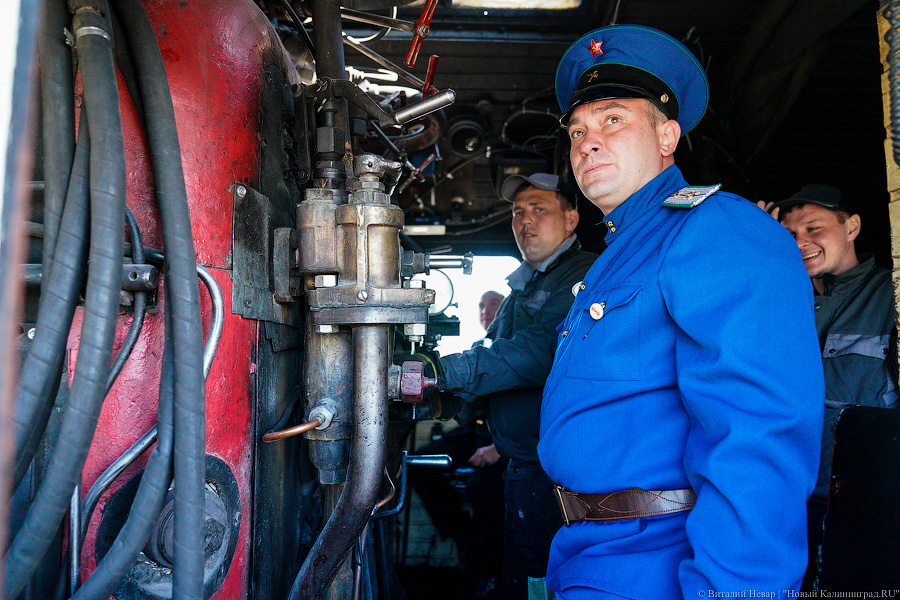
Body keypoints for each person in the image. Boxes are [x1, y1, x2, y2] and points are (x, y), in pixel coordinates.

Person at [536, 24, 824, 599]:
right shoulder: (620, 252)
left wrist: (736, 593)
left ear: (667, 135)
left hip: (657, 562)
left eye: (612, 120)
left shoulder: (716, 229)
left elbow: (757, 437)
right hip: (590, 554)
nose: (587, 143)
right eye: (578, 131)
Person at [438, 172, 597, 600]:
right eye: (518, 212)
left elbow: (539, 351)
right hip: (523, 464)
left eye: (538, 209)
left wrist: (445, 371)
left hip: (555, 471)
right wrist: (441, 398)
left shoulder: (582, 275)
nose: (525, 220)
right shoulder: (524, 286)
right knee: (522, 577)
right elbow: (493, 354)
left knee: (540, 580)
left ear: (571, 220)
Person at [770, 184, 899, 589]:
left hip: (866, 507)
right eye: (790, 234)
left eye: (813, 228)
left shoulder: (890, 295)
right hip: (787, 502)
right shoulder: (781, 300)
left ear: (852, 227)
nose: (800, 242)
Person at [409, 292, 508, 598]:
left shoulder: (514, 348)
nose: (485, 310)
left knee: (484, 489)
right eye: (481, 305)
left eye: (493, 304)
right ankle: (459, 533)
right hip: (476, 427)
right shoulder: (480, 347)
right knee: (418, 464)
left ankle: (486, 572)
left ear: (507, 309)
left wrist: (498, 449)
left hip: (504, 434)